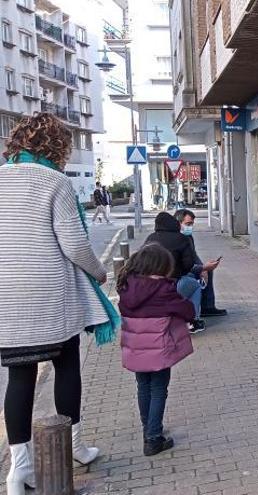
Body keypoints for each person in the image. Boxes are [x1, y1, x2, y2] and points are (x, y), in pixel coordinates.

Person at [0, 113, 112, 494]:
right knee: (66, 363)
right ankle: (75, 444)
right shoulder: (55, 182)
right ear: (56, 147)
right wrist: (99, 272)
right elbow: (75, 243)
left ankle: (19, 470)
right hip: (49, 292)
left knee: (20, 375)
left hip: (7, 301)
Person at [117, 243, 195, 456]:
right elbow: (188, 311)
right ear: (161, 267)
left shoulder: (126, 285)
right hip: (159, 348)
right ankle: (154, 439)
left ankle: (148, 429)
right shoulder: (163, 290)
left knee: (143, 388)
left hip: (135, 348)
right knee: (159, 389)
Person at [144, 212, 206, 333]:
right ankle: (192, 321)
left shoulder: (150, 238)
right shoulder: (181, 239)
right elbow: (188, 265)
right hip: (173, 284)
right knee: (194, 285)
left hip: (149, 286)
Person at [174, 209, 225, 317]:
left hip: (190, 267)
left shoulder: (188, 237)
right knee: (192, 277)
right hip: (180, 272)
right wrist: (201, 268)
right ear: (178, 223)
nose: (190, 227)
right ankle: (194, 314)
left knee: (208, 271)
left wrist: (203, 267)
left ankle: (208, 307)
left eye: (192, 224)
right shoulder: (176, 239)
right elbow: (183, 264)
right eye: (188, 224)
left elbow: (193, 255)